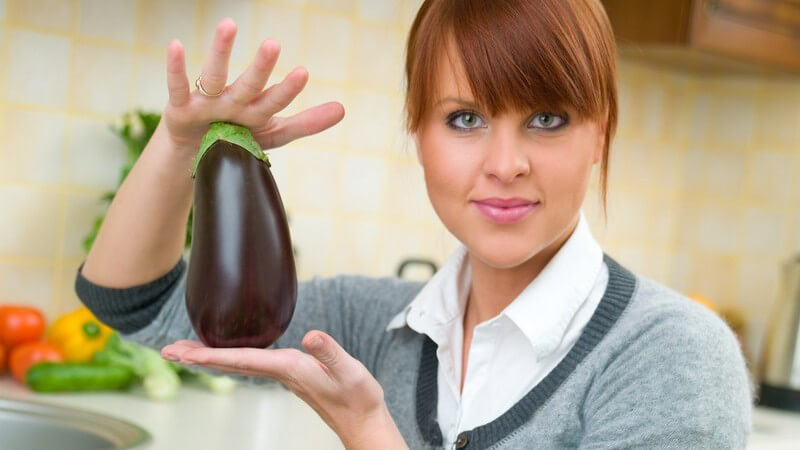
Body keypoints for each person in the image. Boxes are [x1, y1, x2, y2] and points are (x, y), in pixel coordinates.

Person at [76, 1, 752, 448]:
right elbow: (133, 302)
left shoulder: (672, 356)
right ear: (419, 135)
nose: (505, 164)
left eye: (547, 119)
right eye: (465, 119)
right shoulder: (380, 328)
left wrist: (371, 429)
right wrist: (179, 142)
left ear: (600, 134)